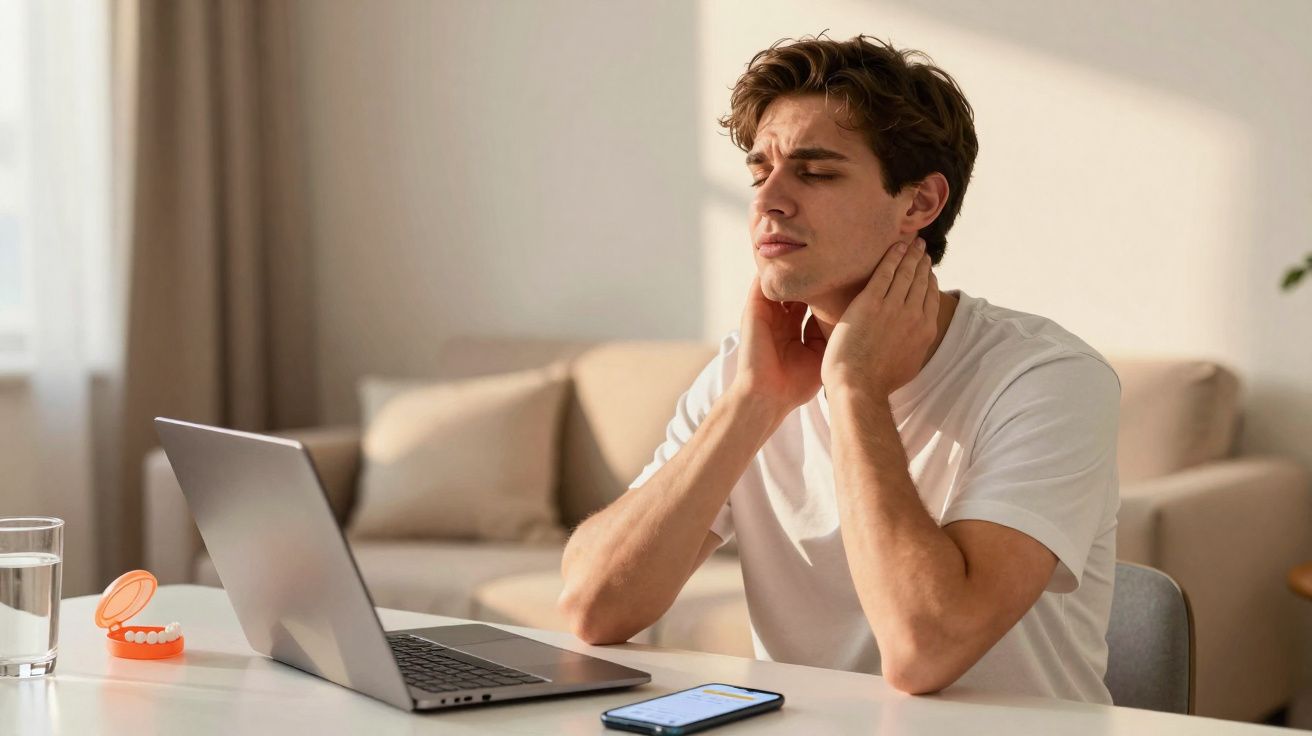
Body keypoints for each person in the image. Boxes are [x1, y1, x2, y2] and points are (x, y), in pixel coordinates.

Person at [558, 34, 1120, 704]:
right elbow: (593, 608)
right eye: (759, 171)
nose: (769, 201)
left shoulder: (1047, 379)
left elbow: (924, 650)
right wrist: (753, 403)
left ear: (918, 204)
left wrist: (853, 387)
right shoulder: (748, 375)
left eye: (815, 172)